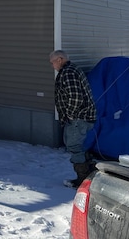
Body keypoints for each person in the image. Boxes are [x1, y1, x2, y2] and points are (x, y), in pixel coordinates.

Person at [50, 50, 97, 188]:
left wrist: (70, 114)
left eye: (52, 62)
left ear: (60, 59)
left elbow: (75, 96)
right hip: (83, 116)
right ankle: (91, 174)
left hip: (79, 118)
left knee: (74, 146)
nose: (52, 65)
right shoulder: (72, 69)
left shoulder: (68, 72)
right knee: (77, 146)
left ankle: (82, 180)